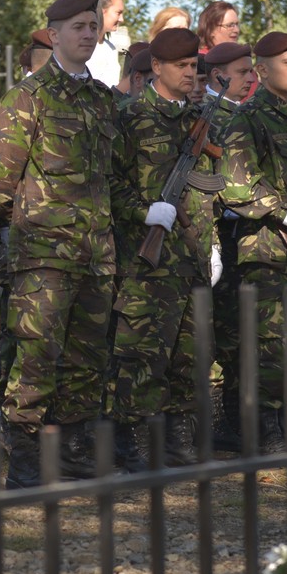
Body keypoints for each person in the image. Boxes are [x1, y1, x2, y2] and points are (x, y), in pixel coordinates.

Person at [0, 0, 118, 488]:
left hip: (96, 253)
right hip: (44, 257)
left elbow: (115, 177)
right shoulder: (29, 97)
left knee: (86, 358)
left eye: (93, 26)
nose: (88, 33)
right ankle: (25, 454)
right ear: (54, 35)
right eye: (78, 26)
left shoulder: (103, 100)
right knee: (37, 356)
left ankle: (73, 448)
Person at [106, 27, 220, 468]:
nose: (190, 73)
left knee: (189, 355)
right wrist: (143, 212)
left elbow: (209, 190)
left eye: (194, 66)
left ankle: (177, 437)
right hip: (145, 262)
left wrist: (212, 246)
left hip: (191, 257)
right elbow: (109, 183)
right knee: (141, 355)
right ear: (156, 67)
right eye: (181, 66)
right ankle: (134, 440)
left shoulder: (198, 120)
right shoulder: (130, 116)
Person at [220, 30, 287, 451]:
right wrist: (282, 211)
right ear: (262, 71)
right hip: (269, 252)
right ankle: (265, 429)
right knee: (268, 348)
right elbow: (235, 185)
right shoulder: (247, 118)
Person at [199, 40, 253, 447]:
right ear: (218, 75)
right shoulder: (208, 114)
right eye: (242, 71)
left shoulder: (241, 114)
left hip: (241, 238)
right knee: (216, 335)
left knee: (238, 335)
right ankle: (214, 419)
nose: (251, 77)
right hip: (216, 235)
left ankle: (234, 420)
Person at [85, 0, 127, 87]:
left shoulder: (111, 48)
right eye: (118, 13)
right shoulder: (81, 44)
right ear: (102, 11)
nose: (121, 19)